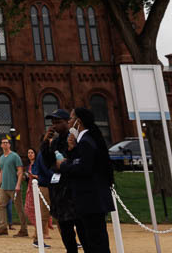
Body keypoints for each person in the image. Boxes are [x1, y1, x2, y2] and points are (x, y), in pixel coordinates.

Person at [59, 108, 114, 253]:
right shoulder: (86, 140)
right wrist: (72, 150)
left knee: (95, 242)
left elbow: (83, 168)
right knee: (95, 240)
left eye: (71, 118)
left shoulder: (86, 142)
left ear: (79, 121)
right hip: (91, 199)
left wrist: (64, 165)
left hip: (91, 199)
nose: (69, 121)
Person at [41, 109, 78, 253]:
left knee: (80, 227)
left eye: (58, 122)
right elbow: (48, 162)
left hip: (72, 191)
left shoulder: (73, 138)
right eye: (53, 123)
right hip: (58, 192)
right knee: (65, 229)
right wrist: (45, 143)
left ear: (67, 122)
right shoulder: (55, 142)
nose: (54, 126)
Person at [0, 137, 26, 236]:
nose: (5, 144)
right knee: (0, 205)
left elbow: (20, 171)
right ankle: (3, 228)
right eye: (3, 143)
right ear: (1, 145)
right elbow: (1, 172)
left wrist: (18, 185)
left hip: (14, 187)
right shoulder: (2, 158)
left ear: (9, 145)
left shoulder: (15, 156)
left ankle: (24, 230)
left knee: (19, 208)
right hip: (4, 187)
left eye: (6, 143)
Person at [25, 146, 51, 244]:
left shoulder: (40, 160)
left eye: (32, 152)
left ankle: (71, 239)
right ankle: (37, 238)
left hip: (48, 187)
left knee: (57, 214)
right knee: (42, 214)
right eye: (29, 153)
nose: (30, 154)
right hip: (37, 188)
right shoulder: (36, 162)